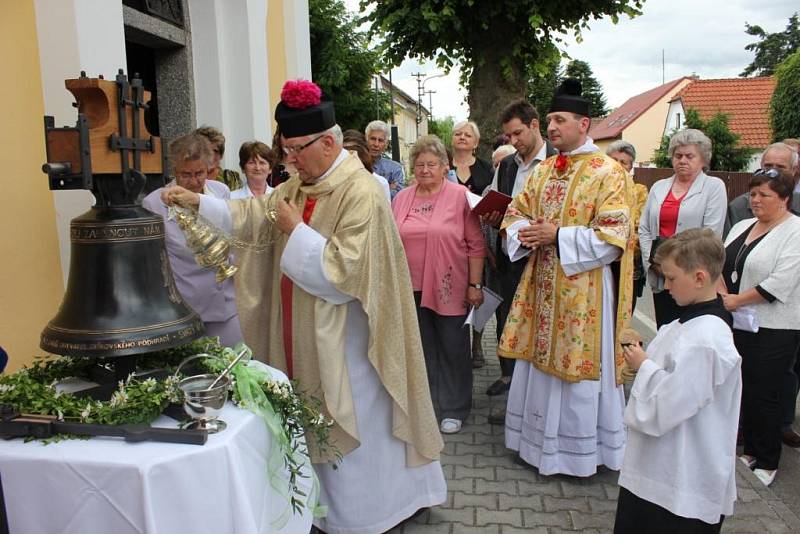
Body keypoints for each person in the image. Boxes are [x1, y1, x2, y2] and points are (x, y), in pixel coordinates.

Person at [162, 80, 446, 533]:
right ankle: (317, 510)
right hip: (302, 329)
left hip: (352, 337)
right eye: (284, 149)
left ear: (328, 142)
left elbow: (344, 273)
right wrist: (199, 202)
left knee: (357, 421)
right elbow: (252, 218)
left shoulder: (362, 192)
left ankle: (374, 513)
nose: (288, 160)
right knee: (312, 414)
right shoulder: (298, 185)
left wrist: (296, 231)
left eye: (296, 149)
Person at [498, 79, 634, 477]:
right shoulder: (542, 172)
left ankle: (581, 454)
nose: (553, 127)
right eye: (551, 120)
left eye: (560, 120)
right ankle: (536, 445)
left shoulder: (608, 172)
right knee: (538, 364)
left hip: (585, 290)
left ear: (584, 124)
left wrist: (556, 235)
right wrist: (525, 232)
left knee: (577, 370)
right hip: (542, 284)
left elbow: (615, 235)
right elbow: (513, 213)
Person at [615, 228, 741, 534]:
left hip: (682, 478)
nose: (666, 285)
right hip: (661, 470)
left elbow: (666, 407)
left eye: (672, 278)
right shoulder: (687, 323)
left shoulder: (706, 340)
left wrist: (644, 367)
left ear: (699, 277)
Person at [392, 135, 485, 434]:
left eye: (432, 164)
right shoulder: (403, 197)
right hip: (410, 286)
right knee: (422, 348)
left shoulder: (460, 196)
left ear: (445, 167)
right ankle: (430, 403)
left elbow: (476, 244)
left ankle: (455, 407)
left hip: (451, 285)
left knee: (453, 347)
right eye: (419, 164)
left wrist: (475, 284)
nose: (425, 169)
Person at [720, 169, 800, 487]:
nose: (755, 200)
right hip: (739, 321)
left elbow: (780, 282)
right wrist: (724, 295)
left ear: (783, 198)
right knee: (742, 388)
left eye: (763, 195)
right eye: (753, 194)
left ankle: (767, 459)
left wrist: (736, 300)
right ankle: (750, 450)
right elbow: (723, 261)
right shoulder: (742, 225)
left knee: (764, 393)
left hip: (775, 326)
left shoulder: (795, 231)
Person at [483, 99, 557, 405]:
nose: (513, 142)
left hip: (546, 259)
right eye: (509, 136)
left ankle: (539, 399)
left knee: (540, 330)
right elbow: (502, 205)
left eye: (518, 134)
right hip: (510, 260)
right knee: (510, 326)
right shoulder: (508, 165)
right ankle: (513, 395)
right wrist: (493, 215)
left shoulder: (557, 161)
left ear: (535, 125)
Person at [142, 133, 243, 347]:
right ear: (174, 171)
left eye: (200, 173)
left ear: (209, 168)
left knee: (237, 366)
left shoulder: (220, 191)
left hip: (225, 301)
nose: (194, 181)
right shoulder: (154, 203)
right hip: (186, 306)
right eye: (185, 174)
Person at [639, 129, 727, 328]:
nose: (682, 161)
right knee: (665, 330)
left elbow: (710, 235)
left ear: (703, 159)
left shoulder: (713, 187)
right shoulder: (659, 187)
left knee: (690, 332)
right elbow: (644, 229)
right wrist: (653, 264)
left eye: (690, 156)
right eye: (678, 156)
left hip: (693, 277)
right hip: (661, 276)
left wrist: (681, 268)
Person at [450, 121, 493, 368]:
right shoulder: (443, 166)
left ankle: (477, 344)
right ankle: (456, 344)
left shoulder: (487, 169)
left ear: (476, 143)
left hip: (479, 237)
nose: (463, 137)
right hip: (450, 237)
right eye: (458, 134)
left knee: (479, 291)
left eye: (468, 135)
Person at [724, 142, 800, 236]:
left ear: (793, 170)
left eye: (780, 168)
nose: (773, 172)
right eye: (768, 167)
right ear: (760, 167)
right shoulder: (738, 208)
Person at [607, 140, 648, 312]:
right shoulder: (596, 189)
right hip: (599, 262)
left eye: (623, 162)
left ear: (631, 167)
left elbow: (641, 227)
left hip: (627, 261)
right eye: (613, 160)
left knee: (622, 315)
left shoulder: (639, 192)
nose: (617, 165)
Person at [342, 129, 391, 202]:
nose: (351, 157)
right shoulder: (333, 181)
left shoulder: (380, 182)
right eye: (345, 152)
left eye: (355, 151)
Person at [365, 120, 405, 199]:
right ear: (366, 140)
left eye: (380, 140)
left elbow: (397, 197)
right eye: (373, 139)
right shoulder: (356, 164)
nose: (376, 144)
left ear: (386, 145)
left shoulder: (395, 168)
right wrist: (386, 187)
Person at [196, 125, 243, 191]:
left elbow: (236, 201)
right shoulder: (187, 176)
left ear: (221, 155)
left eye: (215, 151)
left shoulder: (231, 178)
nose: (210, 155)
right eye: (205, 150)